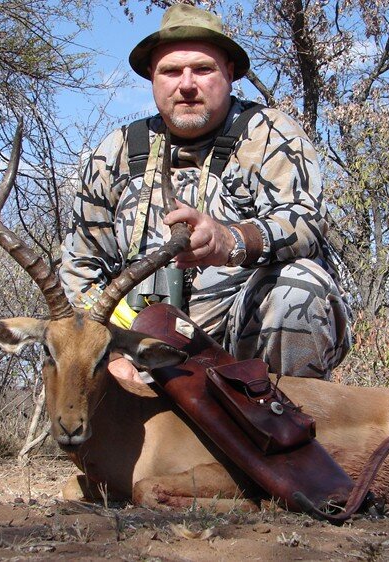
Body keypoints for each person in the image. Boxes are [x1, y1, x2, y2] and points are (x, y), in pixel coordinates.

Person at [60, 4, 351, 382]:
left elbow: (308, 223)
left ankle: (290, 420)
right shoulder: (115, 152)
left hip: (242, 340)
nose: (186, 84)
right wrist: (112, 348)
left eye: (202, 69)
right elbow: (80, 268)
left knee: (300, 287)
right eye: (170, 71)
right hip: (140, 350)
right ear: (152, 76)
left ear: (229, 73)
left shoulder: (268, 134)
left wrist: (231, 239)